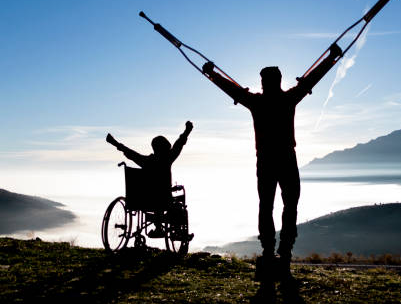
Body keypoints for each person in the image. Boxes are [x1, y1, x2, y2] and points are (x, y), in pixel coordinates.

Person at [203, 43, 342, 275]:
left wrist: (212, 74)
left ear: (264, 82)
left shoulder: (257, 102)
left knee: (267, 205)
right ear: (279, 80)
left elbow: (233, 91)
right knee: (289, 204)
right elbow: (311, 80)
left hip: (266, 160)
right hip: (287, 158)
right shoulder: (288, 99)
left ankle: (269, 249)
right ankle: (284, 250)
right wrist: (331, 58)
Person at [106, 121, 193, 237]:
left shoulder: (146, 161)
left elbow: (130, 153)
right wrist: (187, 131)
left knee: (157, 199)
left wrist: (115, 143)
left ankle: (158, 227)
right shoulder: (167, 159)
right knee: (177, 206)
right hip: (163, 200)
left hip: (141, 201)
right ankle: (175, 232)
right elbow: (179, 144)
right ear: (166, 148)